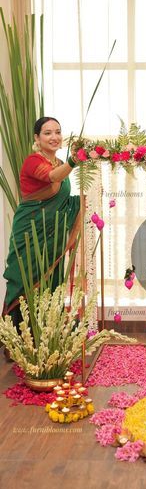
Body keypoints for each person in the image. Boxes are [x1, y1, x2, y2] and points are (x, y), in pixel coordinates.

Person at [2, 116, 80, 330]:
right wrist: (75, 160)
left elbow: (63, 201)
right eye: (47, 133)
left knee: (51, 279)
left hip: (52, 234)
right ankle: (19, 337)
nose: (54, 137)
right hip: (29, 233)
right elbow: (53, 177)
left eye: (57, 131)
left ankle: (48, 335)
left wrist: (85, 202)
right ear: (37, 138)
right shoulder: (33, 161)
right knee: (24, 278)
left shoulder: (61, 164)